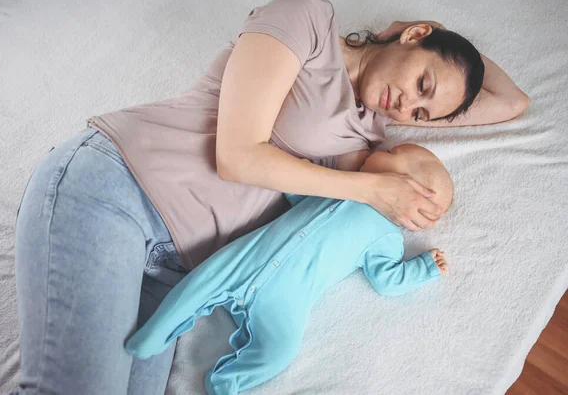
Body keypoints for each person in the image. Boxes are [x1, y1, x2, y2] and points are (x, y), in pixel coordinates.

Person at [12, 0, 528, 393]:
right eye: (422, 83)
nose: (407, 109)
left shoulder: (371, 138)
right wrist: (373, 188)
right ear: (415, 35)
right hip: (115, 189)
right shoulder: (306, 19)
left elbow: (511, 101)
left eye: (421, 115)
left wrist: (444, 75)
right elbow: (238, 155)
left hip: (172, 270)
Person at [124, 144, 453, 395]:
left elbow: (387, 280)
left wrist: (424, 268)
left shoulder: (387, 237)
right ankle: (153, 335)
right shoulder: (344, 182)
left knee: (282, 348)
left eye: (393, 152)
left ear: (410, 187)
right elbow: (296, 189)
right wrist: (296, 169)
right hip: (250, 255)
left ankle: (227, 382)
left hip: (288, 298)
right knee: (201, 282)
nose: (383, 149)